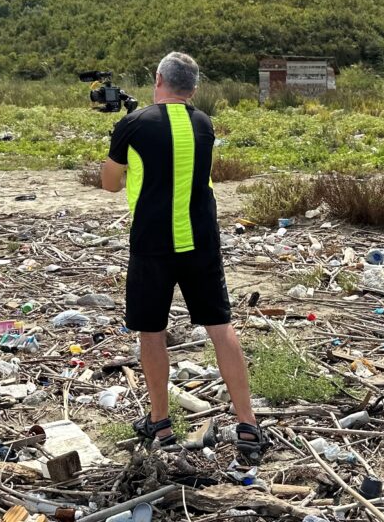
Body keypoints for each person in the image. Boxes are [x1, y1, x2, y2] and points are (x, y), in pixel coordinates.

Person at [100, 52, 268, 461]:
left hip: (152, 243)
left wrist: (124, 133)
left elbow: (108, 184)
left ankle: (160, 423)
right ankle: (247, 424)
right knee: (220, 326)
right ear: (193, 87)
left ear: (158, 79)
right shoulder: (204, 123)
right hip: (200, 240)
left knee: (151, 331)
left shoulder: (133, 124)